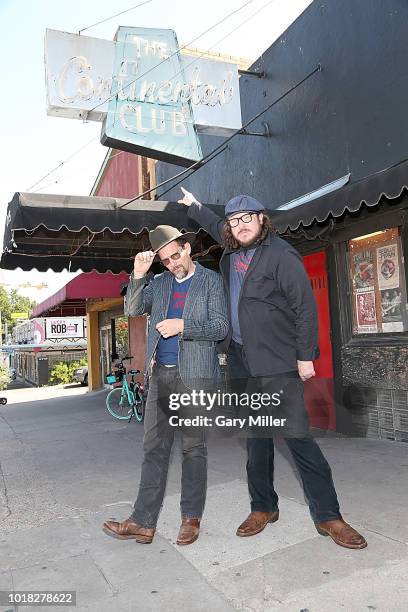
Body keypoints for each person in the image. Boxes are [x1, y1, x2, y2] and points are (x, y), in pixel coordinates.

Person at [178, 188, 367, 550]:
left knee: (297, 437)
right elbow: (214, 222)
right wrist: (195, 206)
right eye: (234, 221)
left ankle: (329, 516)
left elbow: (305, 307)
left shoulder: (281, 255)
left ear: (262, 219)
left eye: (247, 218)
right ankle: (263, 507)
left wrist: (305, 355)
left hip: (277, 360)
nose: (239, 225)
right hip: (239, 358)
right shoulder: (232, 247)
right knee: (256, 439)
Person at [103, 225, 228, 546]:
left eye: (176, 255)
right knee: (153, 449)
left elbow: (220, 327)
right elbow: (132, 309)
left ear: (188, 249)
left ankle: (191, 518)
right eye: (165, 260)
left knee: (192, 449)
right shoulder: (158, 284)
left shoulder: (211, 281)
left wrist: (182, 325)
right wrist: (139, 274)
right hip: (161, 376)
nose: (173, 263)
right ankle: (143, 522)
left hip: (195, 376)